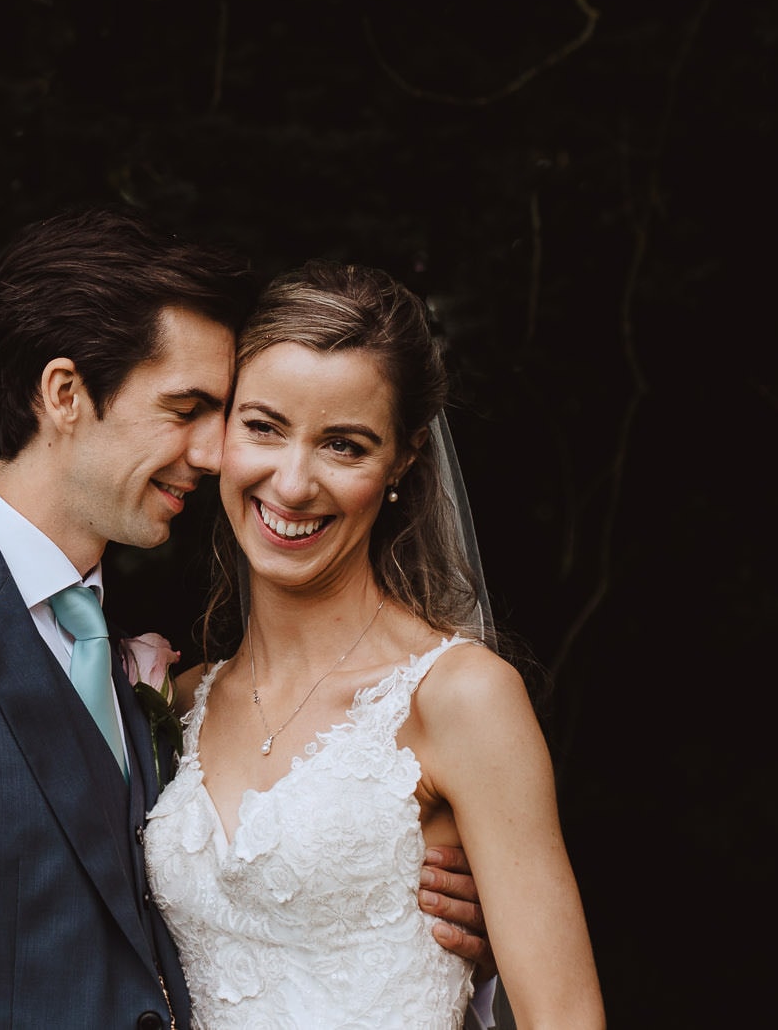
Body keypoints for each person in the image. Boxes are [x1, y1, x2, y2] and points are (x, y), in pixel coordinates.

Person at [0, 214, 491, 1029]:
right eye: (187, 407)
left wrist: (430, 925)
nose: (215, 454)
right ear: (65, 393)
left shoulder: (141, 667)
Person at [145, 261, 602, 1028]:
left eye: (344, 445)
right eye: (263, 426)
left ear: (404, 460)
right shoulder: (177, 700)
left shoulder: (459, 697)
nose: (292, 483)